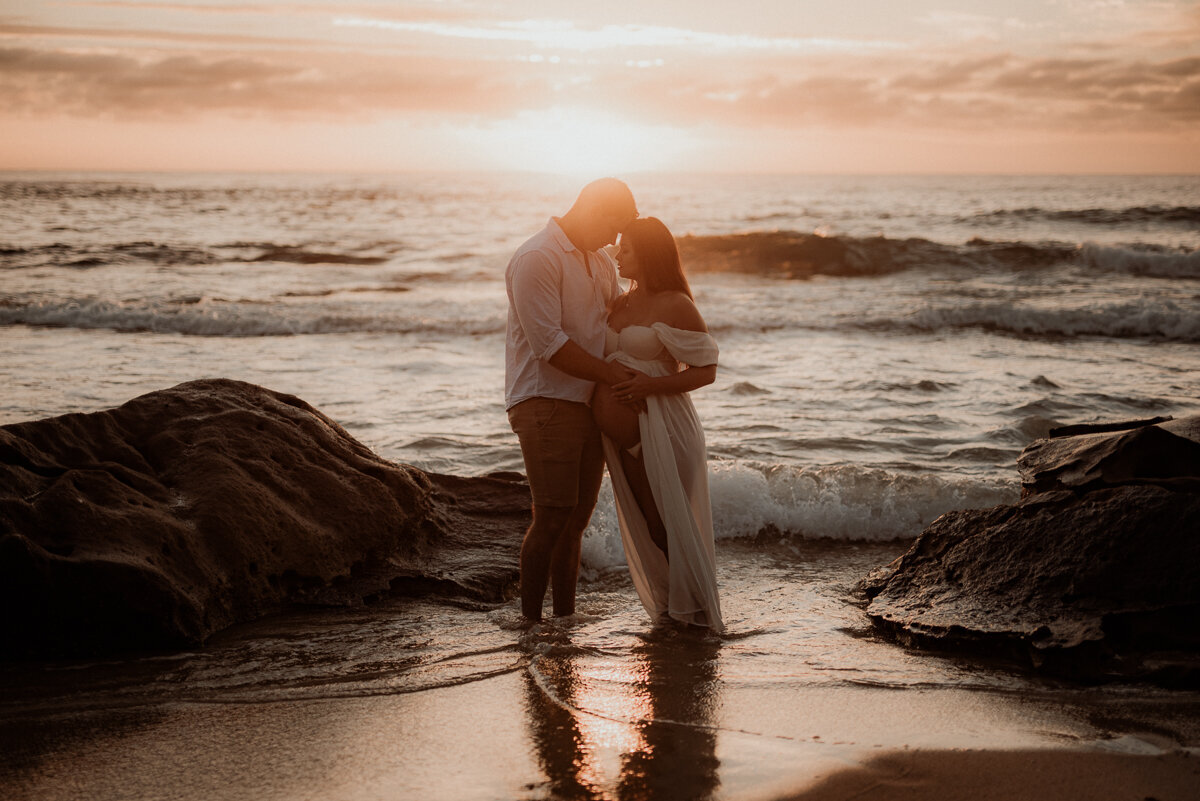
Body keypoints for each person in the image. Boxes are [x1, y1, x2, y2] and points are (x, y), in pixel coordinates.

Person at [505, 178, 640, 623]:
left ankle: (563, 620)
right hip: (545, 400)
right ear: (592, 210)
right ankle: (529, 625)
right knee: (551, 517)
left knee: (576, 521)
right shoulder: (536, 257)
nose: (614, 240)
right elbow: (549, 344)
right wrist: (610, 374)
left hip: (589, 402)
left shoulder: (598, 259)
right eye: (614, 227)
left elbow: (615, 316)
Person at [592, 217, 723, 632]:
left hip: (665, 427)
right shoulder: (620, 302)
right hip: (627, 438)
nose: (617, 254)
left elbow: (706, 370)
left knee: (669, 521)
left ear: (647, 253)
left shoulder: (675, 303)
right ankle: (672, 607)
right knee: (650, 522)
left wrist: (651, 385)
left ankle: (697, 613)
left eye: (626, 248)